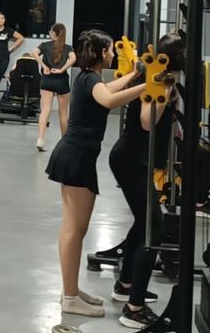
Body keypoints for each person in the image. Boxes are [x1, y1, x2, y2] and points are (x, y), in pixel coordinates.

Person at [45, 29, 148, 318]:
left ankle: (72, 290)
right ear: (102, 53)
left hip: (80, 157)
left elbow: (110, 90)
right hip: (75, 157)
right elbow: (110, 101)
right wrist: (147, 85)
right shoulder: (90, 79)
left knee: (77, 230)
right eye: (111, 50)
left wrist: (136, 75)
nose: (114, 54)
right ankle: (69, 297)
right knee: (73, 230)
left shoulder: (89, 78)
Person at [108, 32, 185, 329]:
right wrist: (164, 91)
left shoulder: (160, 76)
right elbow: (145, 120)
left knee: (143, 223)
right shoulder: (159, 79)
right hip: (131, 160)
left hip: (133, 158)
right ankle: (134, 308)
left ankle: (125, 284)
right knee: (154, 227)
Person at [33, 23, 75, 151]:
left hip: (47, 80)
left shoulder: (44, 45)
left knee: (45, 110)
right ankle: (65, 143)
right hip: (61, 81)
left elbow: (34, 53)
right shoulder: (68, 48)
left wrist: (44, 66)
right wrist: (62, 69)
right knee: (63, 114)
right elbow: (73, 59)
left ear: (53, 33)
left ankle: (40, 139)